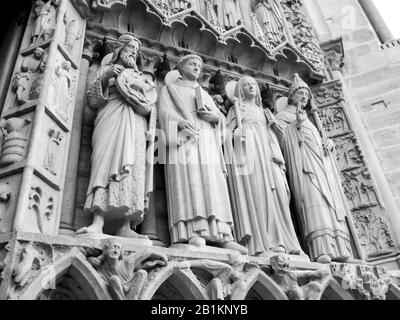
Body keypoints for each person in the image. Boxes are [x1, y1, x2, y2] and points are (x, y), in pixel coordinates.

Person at [158, 54, 247, 254]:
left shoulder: (203, 93)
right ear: (181, 68)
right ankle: (193, 232)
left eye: (199, 65)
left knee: (213, 183)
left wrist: (216, 117)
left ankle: (222, 235)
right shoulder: (169, 89)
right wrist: (180, 122)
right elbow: (163, 113)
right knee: (190, 182)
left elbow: (220, 119)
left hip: (208, 141)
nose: (197, 67)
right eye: (192, 64)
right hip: (185, 140)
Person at [77, 34, 156, 239]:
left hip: (136, 124)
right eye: (130, 47)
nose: (133, 52)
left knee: (133, 167)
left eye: (136, 50)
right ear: (119, 49)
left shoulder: (141, 78)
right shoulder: (105, 70)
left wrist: (146, 109)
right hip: (111, 118)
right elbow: (91, 101)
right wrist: (106, 76)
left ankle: (126, 225)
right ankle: (98, 221)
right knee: (106, 164)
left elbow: (151, 106)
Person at [276, 74, 353, 263]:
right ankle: (321, 251)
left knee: (332, 207)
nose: (304, 97)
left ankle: (342, 250)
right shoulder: (283, 117)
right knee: (315, 205)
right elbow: (282, 143)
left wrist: (328, 143)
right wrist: (297, 125)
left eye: (306, 95)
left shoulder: (310, 119)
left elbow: (317, 141)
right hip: (304, 169)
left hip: (322, 168)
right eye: (300, 93)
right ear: (291, 96)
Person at [225, 76, 304, 257]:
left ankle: (281, 240)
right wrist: (235, 135)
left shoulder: (265, 112)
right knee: (258, 194)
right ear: (239, 90)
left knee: (279, 196)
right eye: (246, 84)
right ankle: (263, 242)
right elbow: (226, 133)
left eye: (254, 84)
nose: (251, 86)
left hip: (270, 158)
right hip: (252, 157)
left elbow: (282, 140)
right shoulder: (237, 109)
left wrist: (280, 132)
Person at [88, 239, 168, 300]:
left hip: (132, 287)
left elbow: (144, 253)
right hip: (118, 290)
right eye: (113, 247)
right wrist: (92, 259)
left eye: (118, 248)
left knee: (142, 273)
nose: (116, 250)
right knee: (114, 279)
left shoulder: (127, 262)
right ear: (105, 250)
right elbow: (89, 263)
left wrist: (161, 255)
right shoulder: (102, 267)